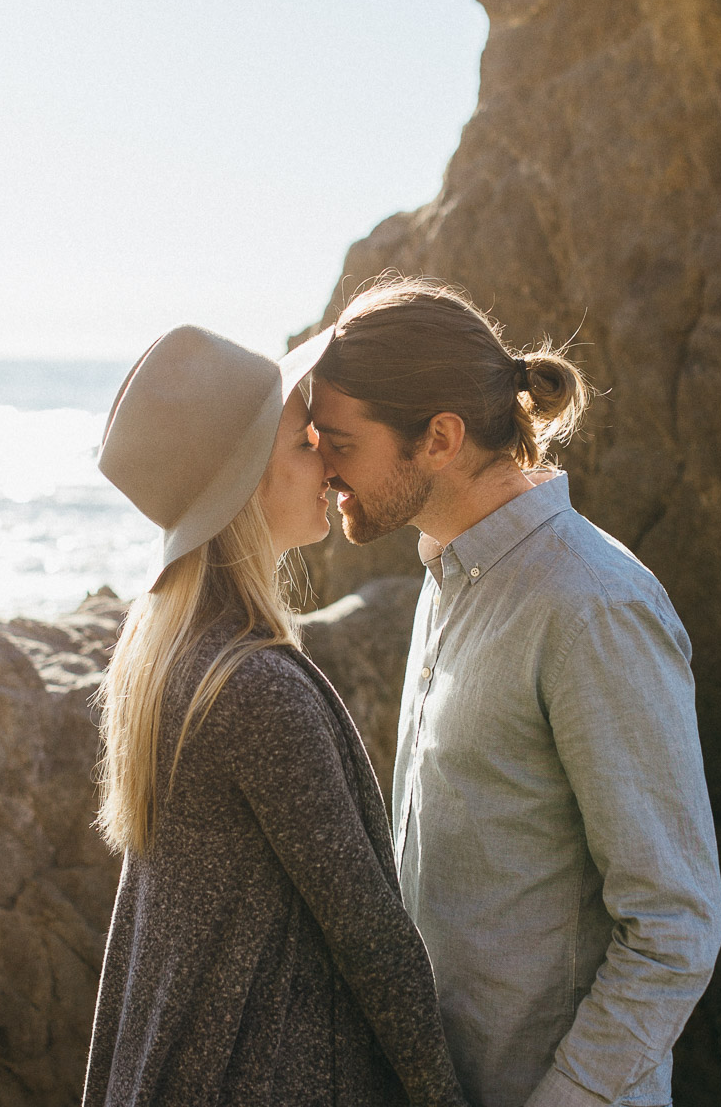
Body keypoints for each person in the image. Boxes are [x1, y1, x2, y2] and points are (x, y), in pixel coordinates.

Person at [306, 278, 721, 1107]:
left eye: (342, 444)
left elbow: (674, 932)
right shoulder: (446, 575)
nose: (324, 470)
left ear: (440, 437)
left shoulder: (593, 606)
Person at [82, 324, 469, 1107]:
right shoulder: (254, 690)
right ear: (249, 483)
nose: (327, 462)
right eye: (304, 443)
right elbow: (371, 941)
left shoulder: (168, 655)